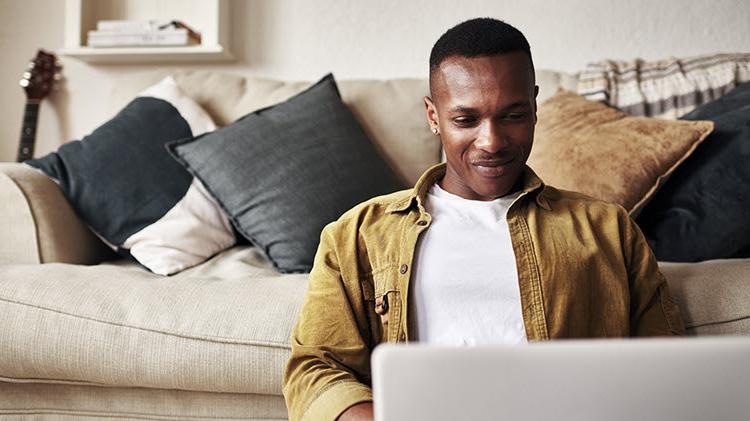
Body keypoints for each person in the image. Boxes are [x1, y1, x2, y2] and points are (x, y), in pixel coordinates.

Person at [283, 17, 685, 421]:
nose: (491, 141)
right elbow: (315, 369)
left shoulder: (608, 230)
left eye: (512, 116)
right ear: (433, 115)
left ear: (534, 106)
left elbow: (667, 372)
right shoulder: (356, 235)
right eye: (466, 120)